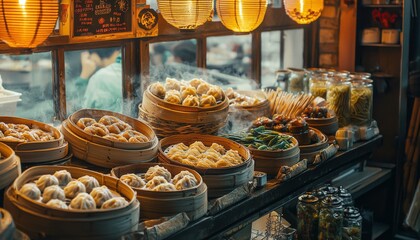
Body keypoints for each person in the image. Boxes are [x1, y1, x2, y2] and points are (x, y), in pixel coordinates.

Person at [67, 48, 121, 113]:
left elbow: (80, 112)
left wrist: (84, 75)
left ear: (94, 55)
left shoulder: (100, 78)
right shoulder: (127, 64)